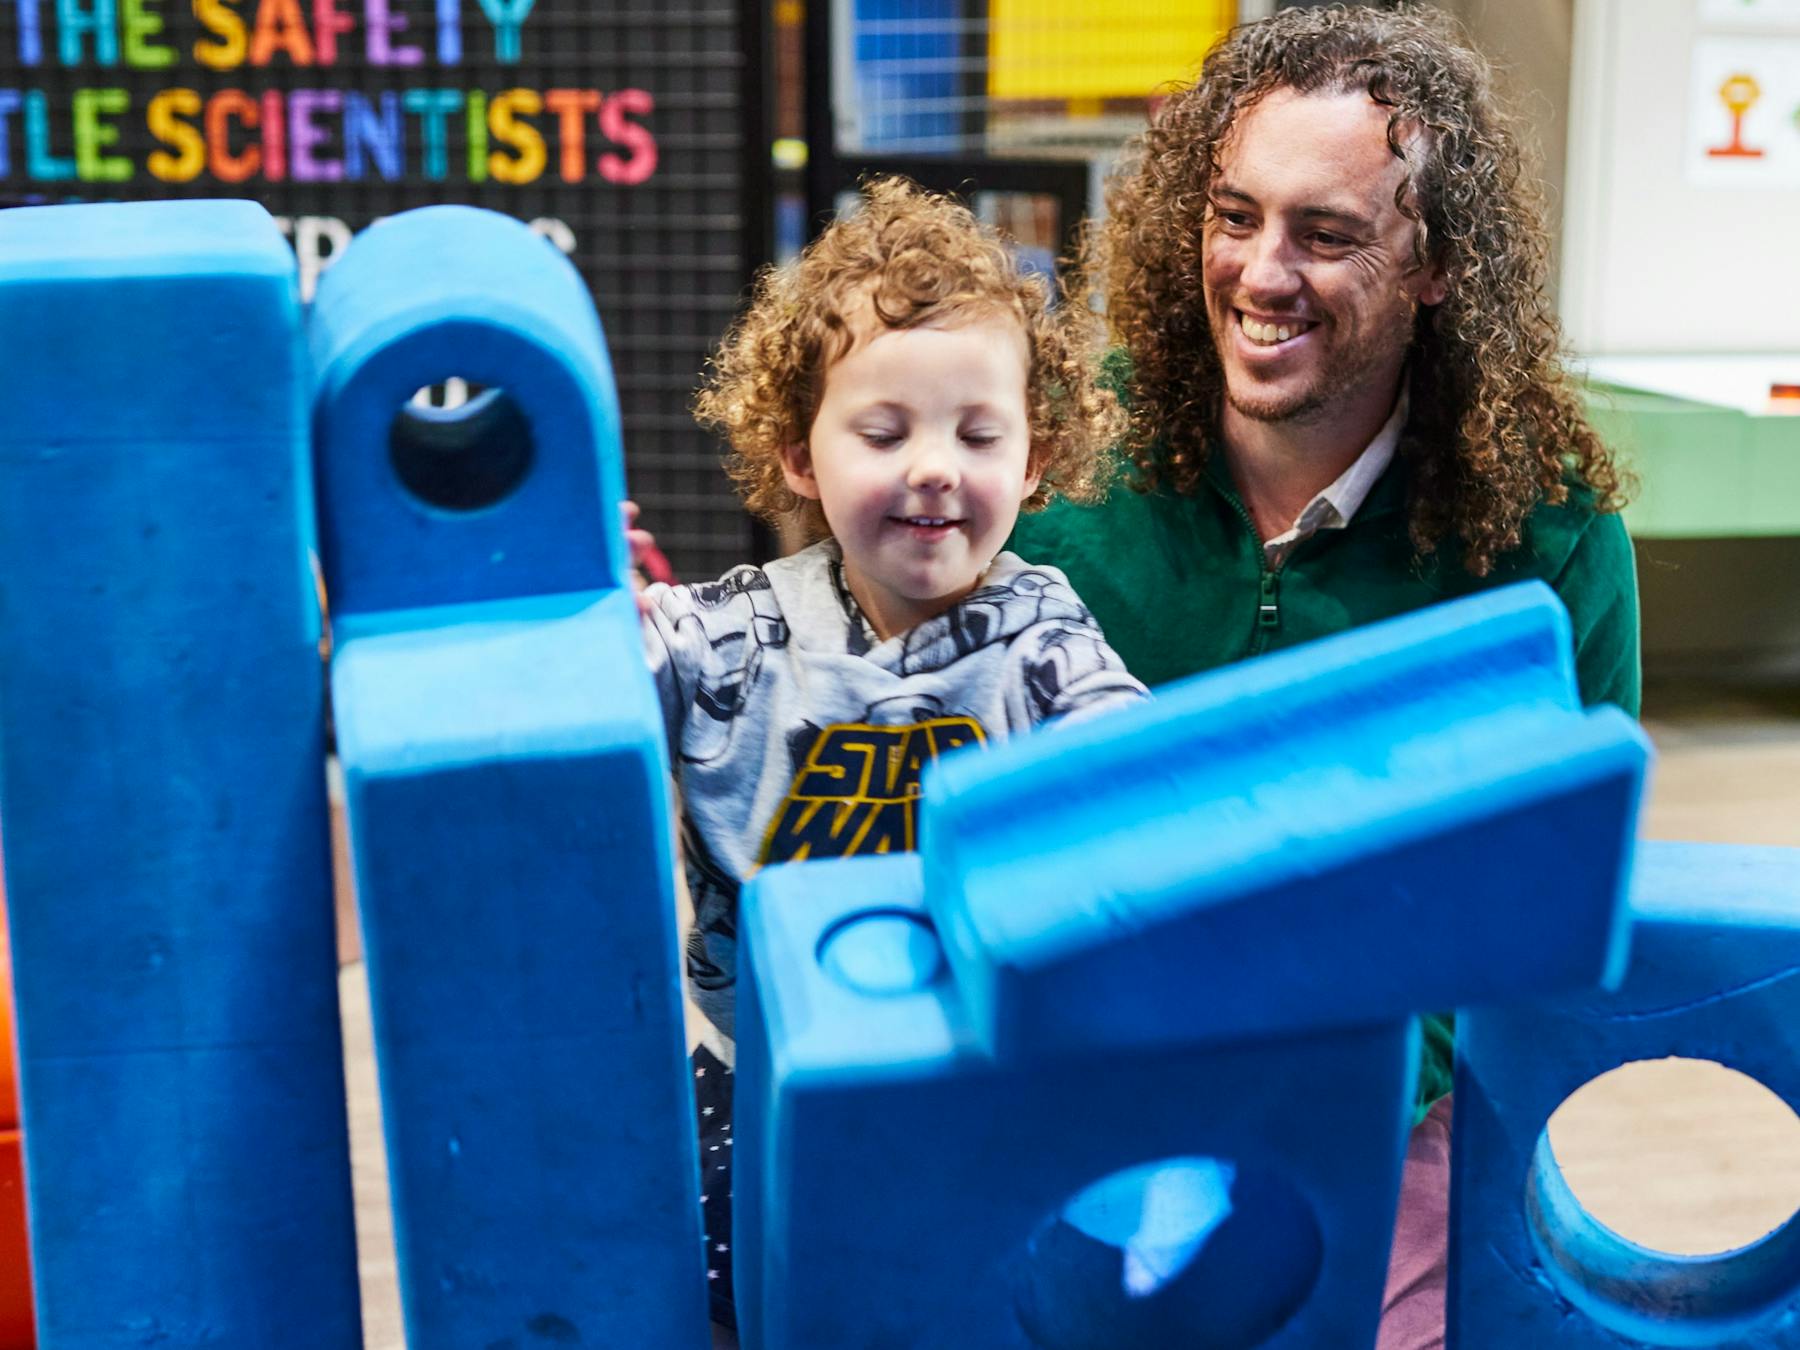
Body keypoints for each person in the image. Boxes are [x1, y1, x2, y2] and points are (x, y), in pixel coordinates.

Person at [1009, 6, 1640, 1347]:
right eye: (1234, 216)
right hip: (1082, 1072)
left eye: (1328, 232)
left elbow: (1556, 914)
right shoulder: (1061, 469)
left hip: (1384, 1098)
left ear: (1437, 267)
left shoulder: (1547, 535)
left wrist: (1339, 1094)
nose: (1262, 271)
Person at [643, 176, 1148, 1330]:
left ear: (1033, 465)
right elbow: (626, 668)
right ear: (799, 456)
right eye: (884, 431)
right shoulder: (738, 633)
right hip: (770, 1067)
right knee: (709, 1256)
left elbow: (1123, 745)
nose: (934, 465)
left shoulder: (1040, 636)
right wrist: (600, 613)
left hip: (989, 1073)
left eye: (979, 435)